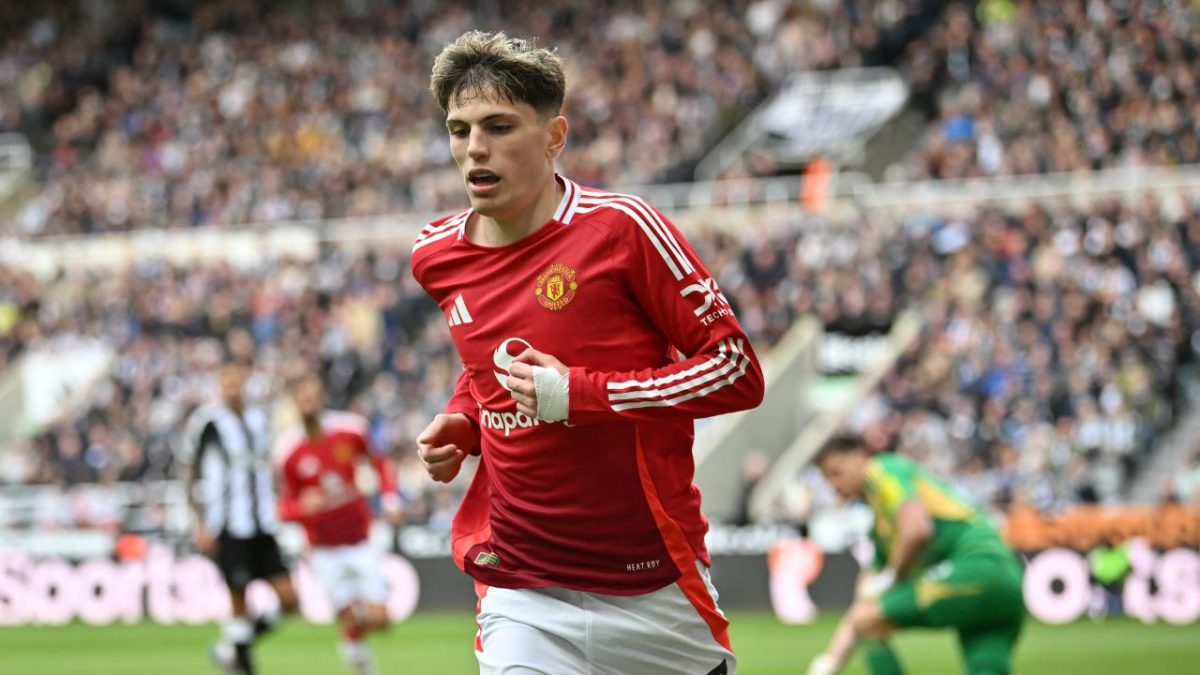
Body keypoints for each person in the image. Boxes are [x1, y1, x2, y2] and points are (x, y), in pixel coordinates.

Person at [410, 30, 765, 675]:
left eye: (499, 126)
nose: (474, 149)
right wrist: (465, 422)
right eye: (459, 130)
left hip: (654, 589)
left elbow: (737, 373)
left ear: (554, 137)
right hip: (522, 590)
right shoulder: (436, 255)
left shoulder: (622, 229)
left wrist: (580, 395)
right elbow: (481, 366)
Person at [806, 435, 1025, 675]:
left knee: (868, 624)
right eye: (827, 479)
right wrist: (829, 662)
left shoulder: (883, 471)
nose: (834, 485)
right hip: (1008, 580)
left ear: (860, 457)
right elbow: (864, 600)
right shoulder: (880, 526)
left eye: (836, 472)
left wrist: (892, 576)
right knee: (987, 668)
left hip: (977, 566)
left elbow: (917, 530)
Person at [276, 373, 401, 675]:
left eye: (312, 396)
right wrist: (301, 508)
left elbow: (380, 462)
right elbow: (283, 508)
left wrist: (389, 498)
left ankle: (352, 641)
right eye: (301, 398)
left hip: (360, 539)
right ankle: (363, 666)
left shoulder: (350, 430)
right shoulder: (288, 451)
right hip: (322, 550)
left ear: (320, 397)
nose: (307, 403)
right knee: (349, 615)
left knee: (380, 619)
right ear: (294, 403)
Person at [183, 359, 299, 674]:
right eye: (227, 383)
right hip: (228, 525)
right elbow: (188, 472)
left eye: (237, 382)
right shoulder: (207, 422)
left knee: (290, 600)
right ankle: (243, 664)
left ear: (245, 383)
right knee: (239, 601)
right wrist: (198, 521)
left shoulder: (258, 418)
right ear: (219, 385)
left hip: (262, 522)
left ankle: (231, 648)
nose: (233, 389)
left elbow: (269, 468)